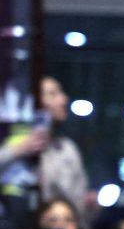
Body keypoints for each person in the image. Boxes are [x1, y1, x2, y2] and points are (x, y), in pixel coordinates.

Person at [0, 76, 89, 220]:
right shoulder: (9, 141)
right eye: (53, 94)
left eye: (61, 93)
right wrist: (18, 150)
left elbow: (77, 202)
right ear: (33, 102)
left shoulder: (66, 149)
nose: (64, 99)